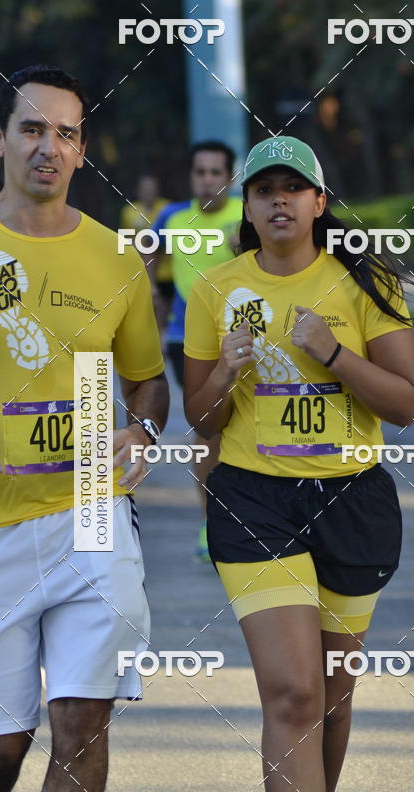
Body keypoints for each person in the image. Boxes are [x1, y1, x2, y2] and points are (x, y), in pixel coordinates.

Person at [183, 137, 414, 792]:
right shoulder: (217, 289)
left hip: (351, 499)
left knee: (333, 699)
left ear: (320, 202)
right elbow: (201, 419)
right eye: (263, 190)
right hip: (254, 499)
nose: (278, 200)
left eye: (294, 188)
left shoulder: (364, 282)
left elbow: (407, 404)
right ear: (247, 208)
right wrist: (224, 370)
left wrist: (334, 356)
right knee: (292, 694)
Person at [0, 64, 169, 792]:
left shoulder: (116, 257)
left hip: (94, 512)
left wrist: (144, 427)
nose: (47, 146)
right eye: (31, 129)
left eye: (64, 133)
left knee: (82, 721)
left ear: (82, 151)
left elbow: (147, 381)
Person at [148, 140, 241, 561]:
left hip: (244, 338)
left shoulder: (246, 215)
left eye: (215, 173)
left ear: (230, 177)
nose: (207, 181)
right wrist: (152, 291)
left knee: (247, 425)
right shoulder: (172, 217)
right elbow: (147, 256)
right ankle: (211, 522)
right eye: (200, 173)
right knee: (208, 430)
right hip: (184, 340)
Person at [119, 174, 172, 327]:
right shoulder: (129, 212)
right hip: (141, 269)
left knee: (165, 304)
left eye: (152, 189)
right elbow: (126, 240)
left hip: (166, 269)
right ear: (138, 191)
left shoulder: (166, 208)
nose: (149, 192)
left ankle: (165, 336)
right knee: (147, 306)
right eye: (145, 189)